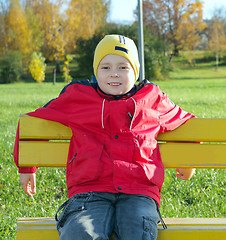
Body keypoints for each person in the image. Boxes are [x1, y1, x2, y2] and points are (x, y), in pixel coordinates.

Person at [14, 34, 196, 240]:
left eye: (123, 67)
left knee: (138, 233)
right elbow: (33, 122)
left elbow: (187, 121)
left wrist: (187, 163)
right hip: (88, 190)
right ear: (96, 72)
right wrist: (27, 166)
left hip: (138, 191)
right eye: (106, 67)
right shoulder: (78, 97)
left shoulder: (151, 98)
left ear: (135, 72)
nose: (114, 74)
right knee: (79, 233)